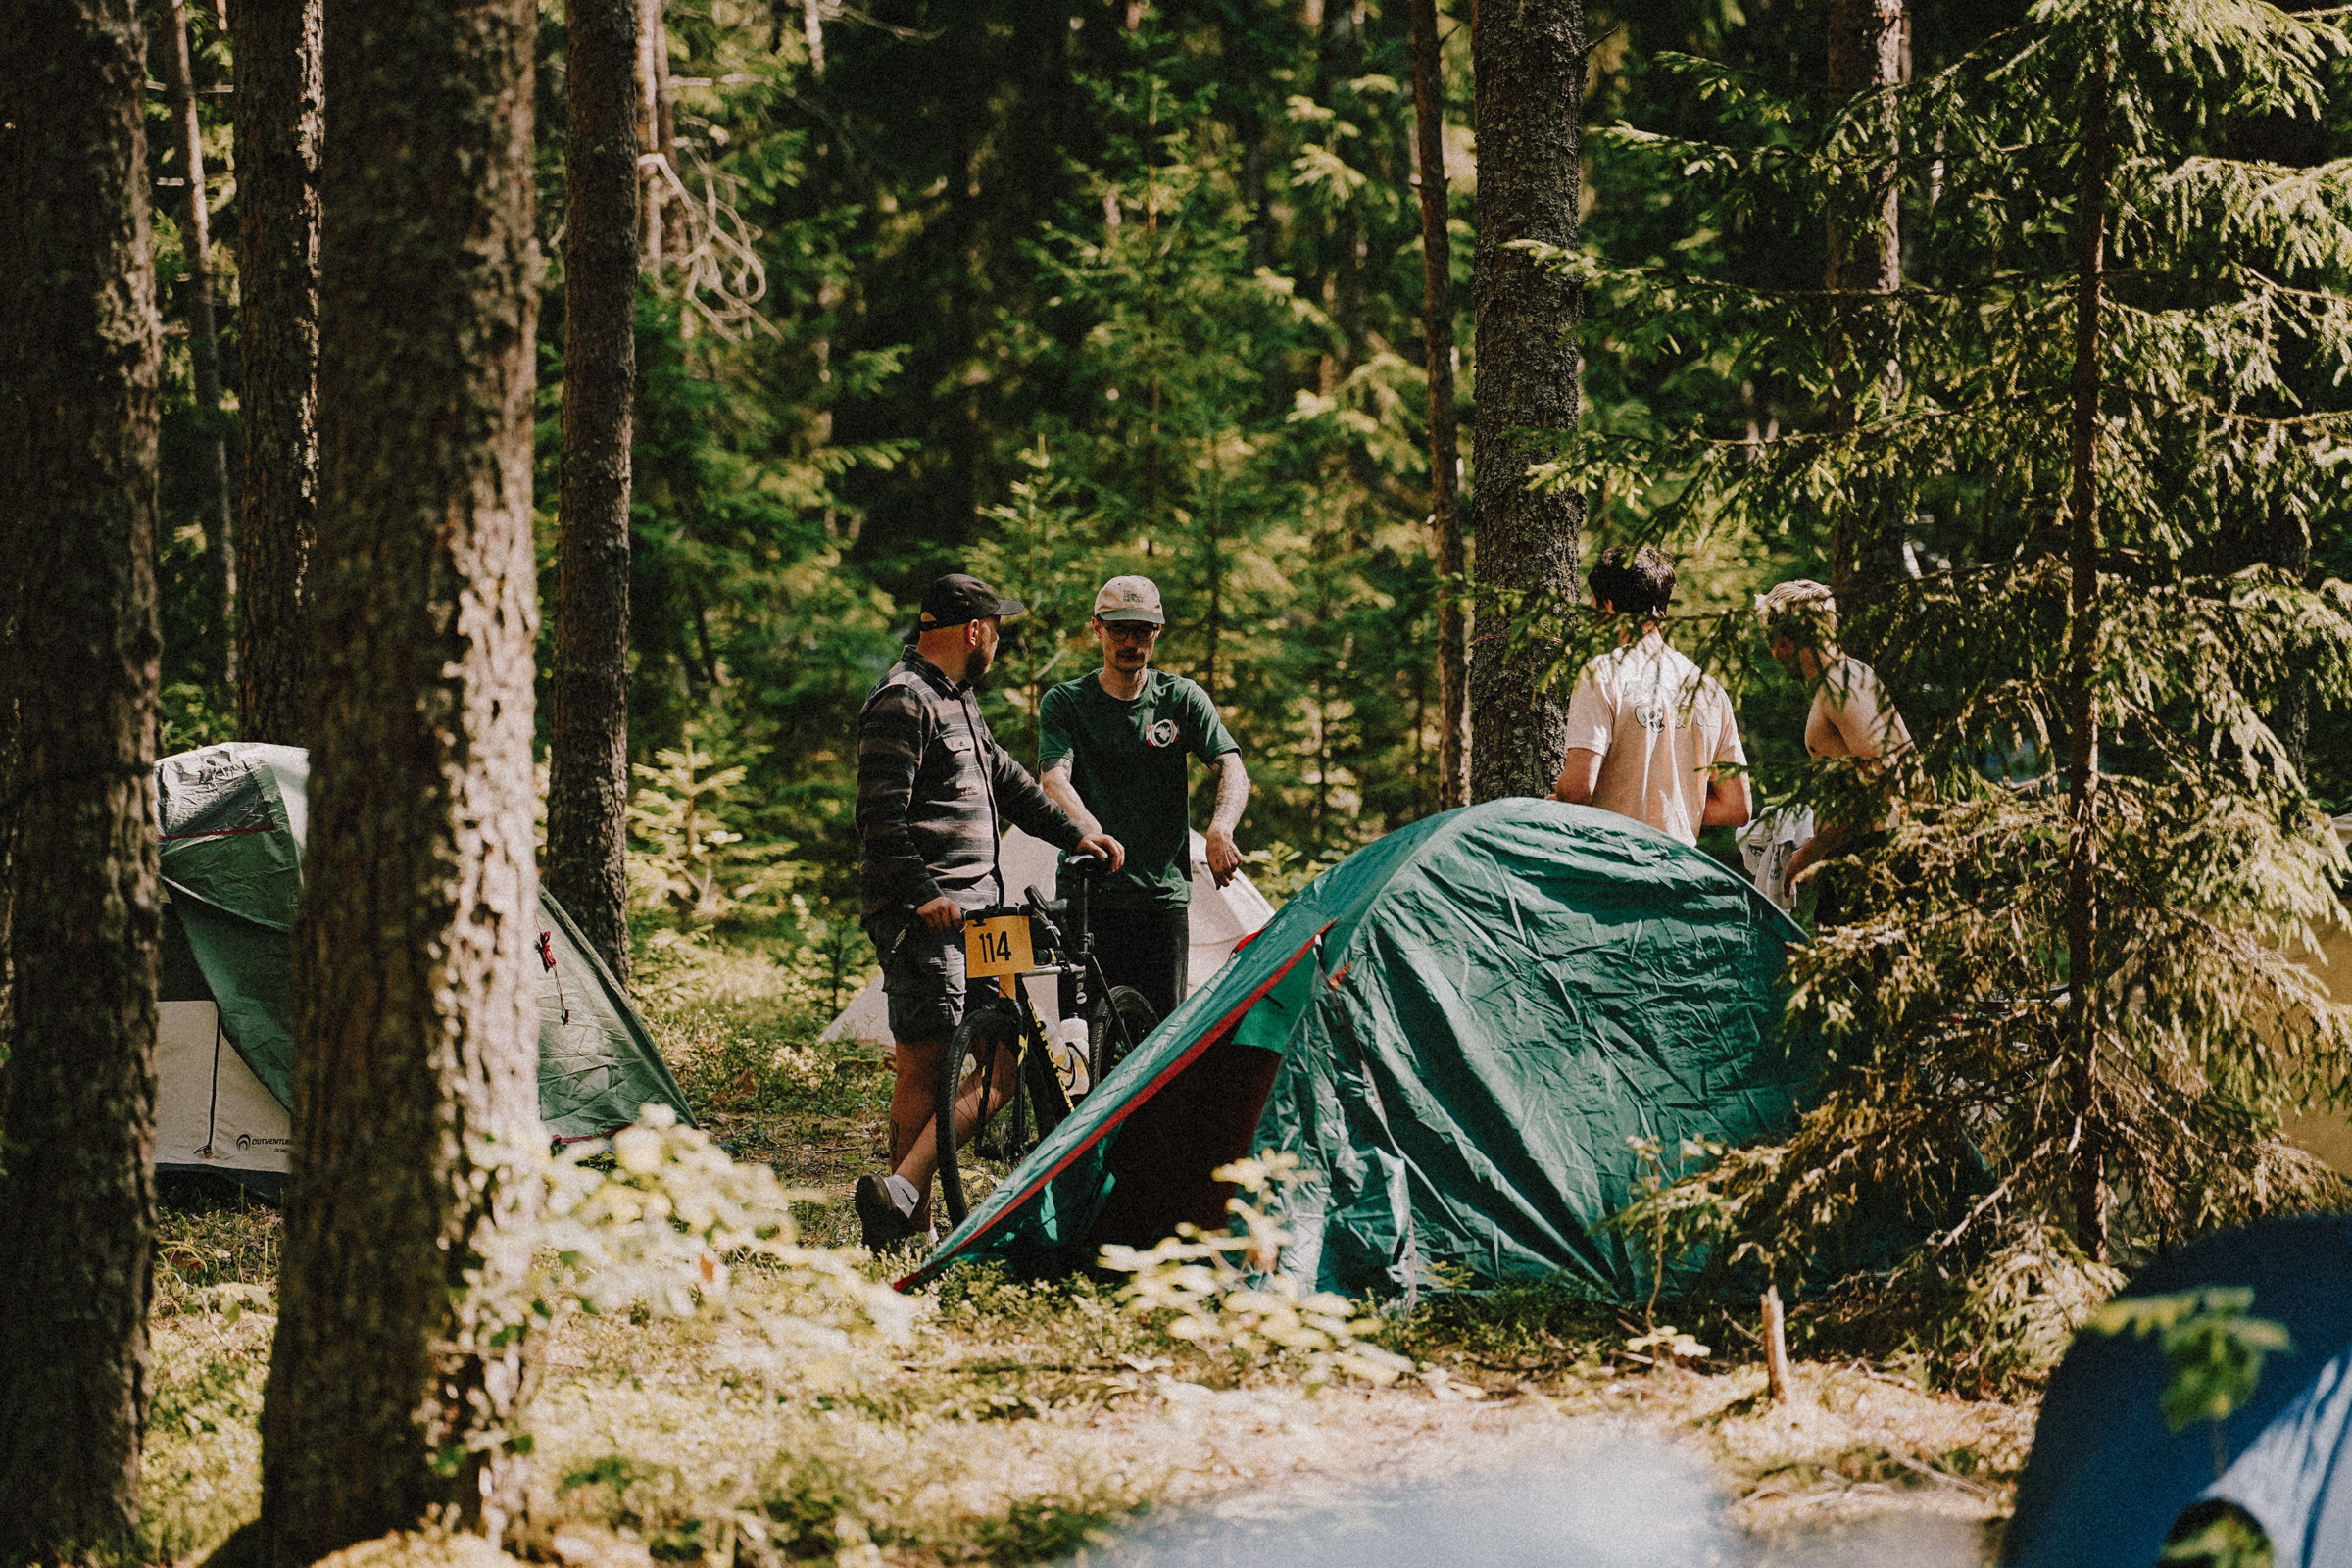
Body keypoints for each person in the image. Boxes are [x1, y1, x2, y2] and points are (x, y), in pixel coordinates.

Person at [851, 572, 1124, 1253]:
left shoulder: (958, 701)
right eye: (995, 628)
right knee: (926, 1060)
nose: (998, 641)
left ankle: (904, 1190)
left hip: (982, 916)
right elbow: (879, 818)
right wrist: (922, 895)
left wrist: (1076, 834)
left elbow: (1015, 786)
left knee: (1005, 1062)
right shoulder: (903, 699)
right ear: (974, 630)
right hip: (928, 917)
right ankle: (907, 1230)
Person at [1038, 575, 1249, 1024]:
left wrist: (1221, 828)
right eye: (1119, 629)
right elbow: (1054, 778)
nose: (1130, 642)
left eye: (1142, 630)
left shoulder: (1181, 698)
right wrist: (1091, 831)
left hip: (1161, 901)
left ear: (1158, 632)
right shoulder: (1067, 702)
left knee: (1159, 1044)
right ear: (1097, 628)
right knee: (1081, 1044)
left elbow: (1232, 767)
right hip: (1089, 897)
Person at [1551, 544, 1752, 843]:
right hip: (1682, 872)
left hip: (1613, 866)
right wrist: (1676, 809)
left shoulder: (1602, 674)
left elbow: (1577, 790)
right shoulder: (1708, 689)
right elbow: (1738, 808)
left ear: (1607, 605)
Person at [1754, 578, 1911, 883]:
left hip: (1872, 861)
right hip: (1861, 855)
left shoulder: (1841, 683)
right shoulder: (1843, 678)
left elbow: (1883, 780)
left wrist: (1808, 856)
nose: (1775, 655)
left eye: (1774, 644)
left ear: (1784, 643)